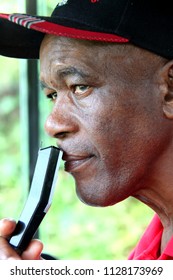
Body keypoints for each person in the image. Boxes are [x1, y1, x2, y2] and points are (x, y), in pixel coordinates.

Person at [0, 0, 173, 260]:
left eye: (79, 86)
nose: (52, 124)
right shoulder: (153, 248)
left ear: (169, 91)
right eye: (52, 95)